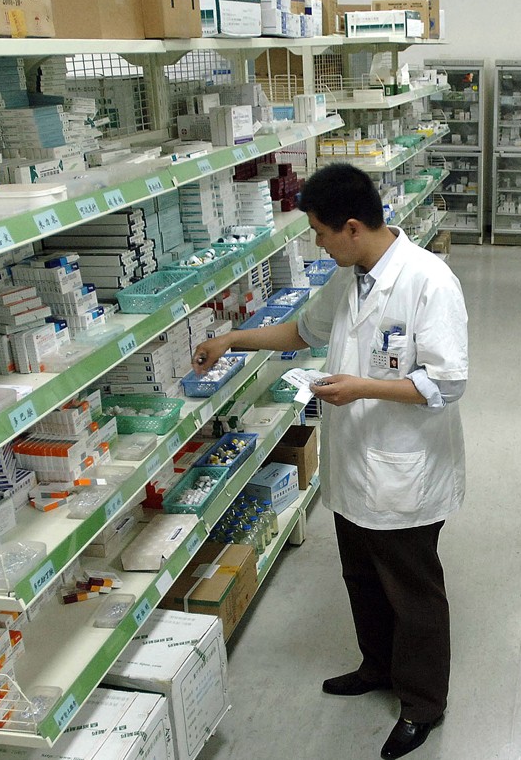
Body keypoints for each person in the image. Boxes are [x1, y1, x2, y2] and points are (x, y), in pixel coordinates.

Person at [191, 163, 469, 759]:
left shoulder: (428, 281)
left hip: (406, 470)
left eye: (319, 232)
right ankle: (376, 666)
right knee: (361, 576)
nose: (316, 243)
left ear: (349, 226)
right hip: (353, 465)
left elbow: (448, 382)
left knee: (413, 591)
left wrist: (362, 388)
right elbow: (302, 332)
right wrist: (231, 340)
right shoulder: (354, 275)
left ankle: (422, 704)